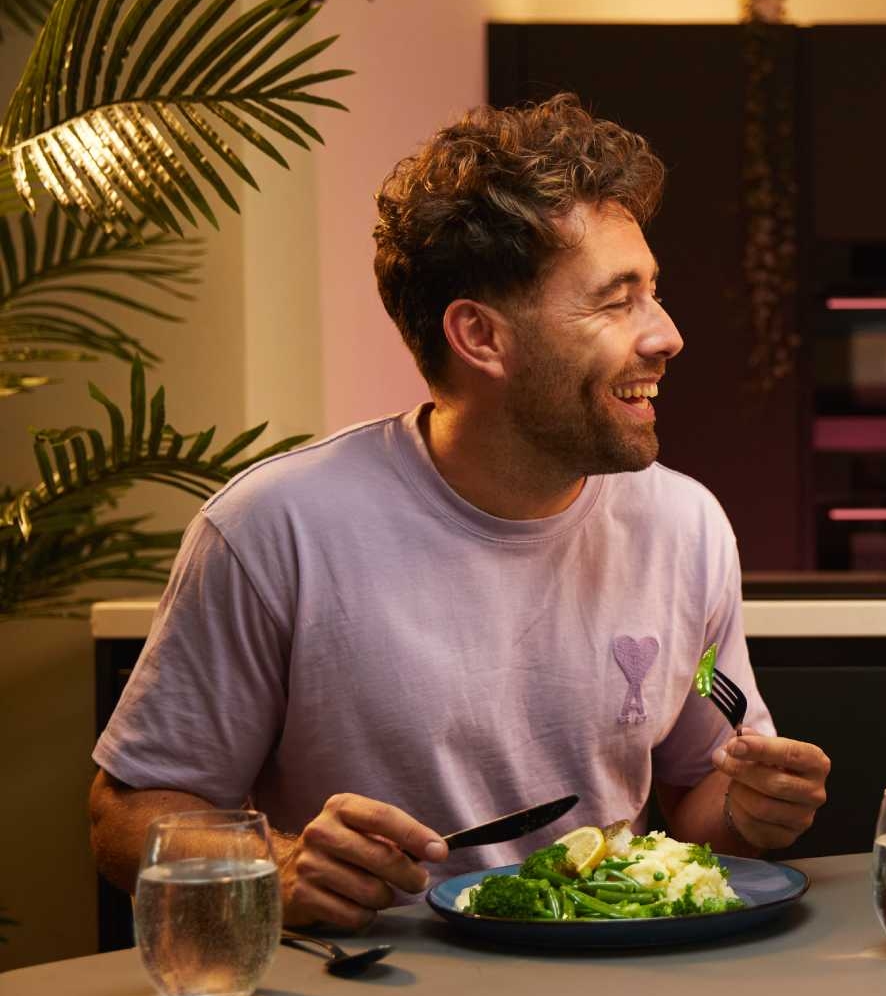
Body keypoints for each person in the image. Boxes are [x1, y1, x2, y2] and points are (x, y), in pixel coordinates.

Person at [89, 94, 830, 930]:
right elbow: (124, 818)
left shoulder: (685, 527)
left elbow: (701, 795)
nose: (667, 335)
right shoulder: (274, 528)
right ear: (481, 338)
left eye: (652, 292)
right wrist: (276, 866)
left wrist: (753, 808)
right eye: (616, 300)